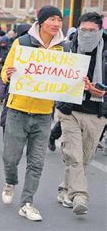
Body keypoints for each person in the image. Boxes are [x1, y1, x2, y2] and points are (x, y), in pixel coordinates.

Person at [0, 6, 69, 221]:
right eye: (51, 19)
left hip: (43, 113)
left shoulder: (64, 49)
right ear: (41, 22)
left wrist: (78, 83)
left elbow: (68, 77)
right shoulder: (22, 43)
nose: (56, 23)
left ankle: (27, 203)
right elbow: (5, 73)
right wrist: (8, 75)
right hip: (17, 110)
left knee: (36, 162)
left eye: (59, 19)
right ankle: (10, 181)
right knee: (11, 159)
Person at [55, 12, 106, 215]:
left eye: (92, 31)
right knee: (73, 155)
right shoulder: (67, 48)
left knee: (84, 157)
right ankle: (80, 195)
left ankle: (64, 189)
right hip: (70, 110)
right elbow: (54, 76)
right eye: (83, 30)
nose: (87, 34)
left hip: (98, 112)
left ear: (100, 30)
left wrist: (102, 90)